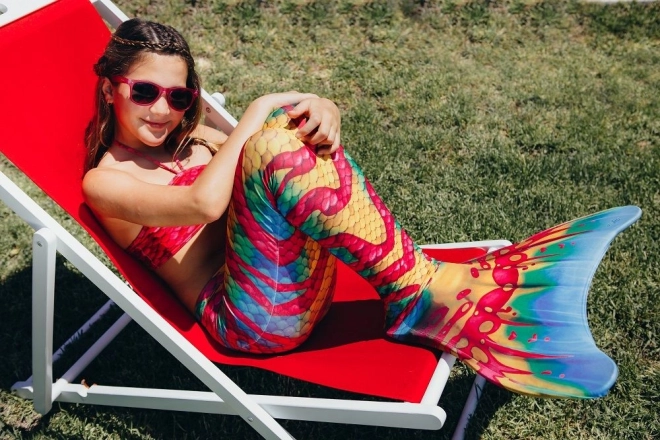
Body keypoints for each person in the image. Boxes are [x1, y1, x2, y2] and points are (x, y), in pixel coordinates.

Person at [83, 18, 640, 400]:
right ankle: (423, 292)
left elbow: (277, 156)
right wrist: (258, 109)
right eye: (144, 92)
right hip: (250, 321)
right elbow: (203, 203)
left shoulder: (193, 140)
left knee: (282, 134)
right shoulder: (105, 183)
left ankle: (419, 289)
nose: (163, 110)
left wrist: (319, 106)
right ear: (110, 89)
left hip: (300, 284)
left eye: (180, 96)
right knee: (269, 136)